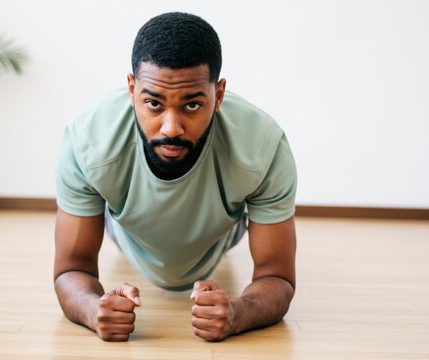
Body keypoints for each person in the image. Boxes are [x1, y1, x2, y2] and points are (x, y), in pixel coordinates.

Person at [54, 12, 297, 342]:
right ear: (131, 89)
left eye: (192, 105)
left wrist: (239, 313)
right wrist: (93, 308)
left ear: (219, 95)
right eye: (153, 103)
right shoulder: (87, 142)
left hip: (220, 235)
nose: (171, 127)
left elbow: (277, 276)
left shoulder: (263, 146)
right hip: (126, 232)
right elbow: (72, 268)